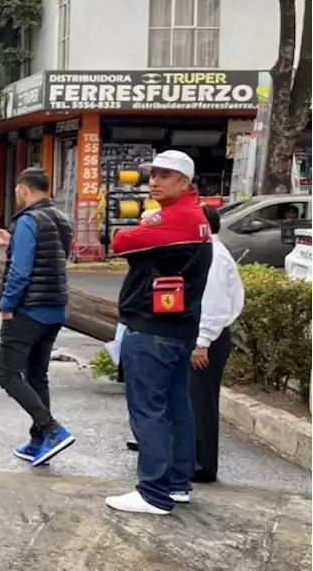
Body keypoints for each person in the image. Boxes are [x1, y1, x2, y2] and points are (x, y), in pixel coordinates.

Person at [104, 150, 212, 515]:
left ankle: (153, 492)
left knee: (148, 410)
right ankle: (178, 484)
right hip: (180, 329)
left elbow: (119, 243)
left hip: (151, 328)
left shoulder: (174, 218)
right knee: (177, 407)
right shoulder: (196, 218)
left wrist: (149, 220)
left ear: (184, 182)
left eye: (165, 175)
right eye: (153, 174)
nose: (154, 181)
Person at [0, 167, 75, 467]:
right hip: (55, 309)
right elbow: (52, 257)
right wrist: (12, 242)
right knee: (37, 374)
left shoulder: (28, 221)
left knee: (7, 374)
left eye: (17, 190)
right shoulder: (61, 219)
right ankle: (38, 440)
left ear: (24, 189)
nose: (16, 194)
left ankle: (51, 430)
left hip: (28, 309)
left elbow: (22, 271)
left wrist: (6, 303)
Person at [190, 204, 244, 484]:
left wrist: (201, 343)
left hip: (208, 339)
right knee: (194, 399)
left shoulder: (214, 257)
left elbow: (213, 304)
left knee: (201, 401)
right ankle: (194, 458)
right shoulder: (207, 251)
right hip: (206, 336)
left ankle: (203, 464)